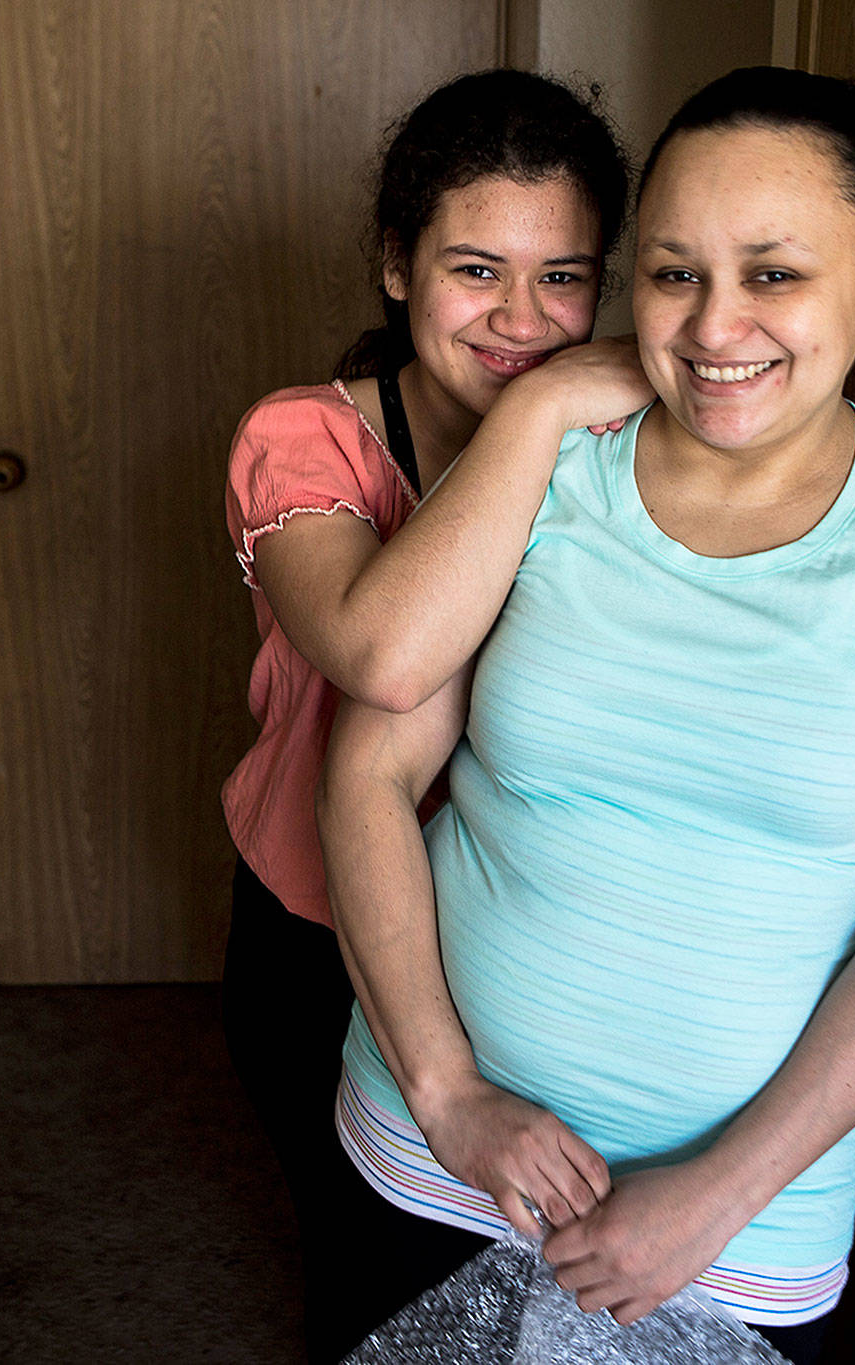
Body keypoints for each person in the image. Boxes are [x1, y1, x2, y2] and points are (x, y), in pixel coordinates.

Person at [318, 67, 855, 1364]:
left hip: (739, 1230)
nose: (714, 326)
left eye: (774, 274)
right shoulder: (549, 461)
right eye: (675, 272)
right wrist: (448, 1091)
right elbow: (368, 766)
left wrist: (721, 1188)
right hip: (435, 1157)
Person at [218, 69, 647, 1362]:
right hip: (315, 925)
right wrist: (547, 403)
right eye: (477, 269)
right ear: (398, 264)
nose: (523, 317)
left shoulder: (618, 450)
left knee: (535, 1285)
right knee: (381, 1286)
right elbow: (382, 653)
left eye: (564, 277)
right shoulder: (303, 438)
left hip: (521, 927)